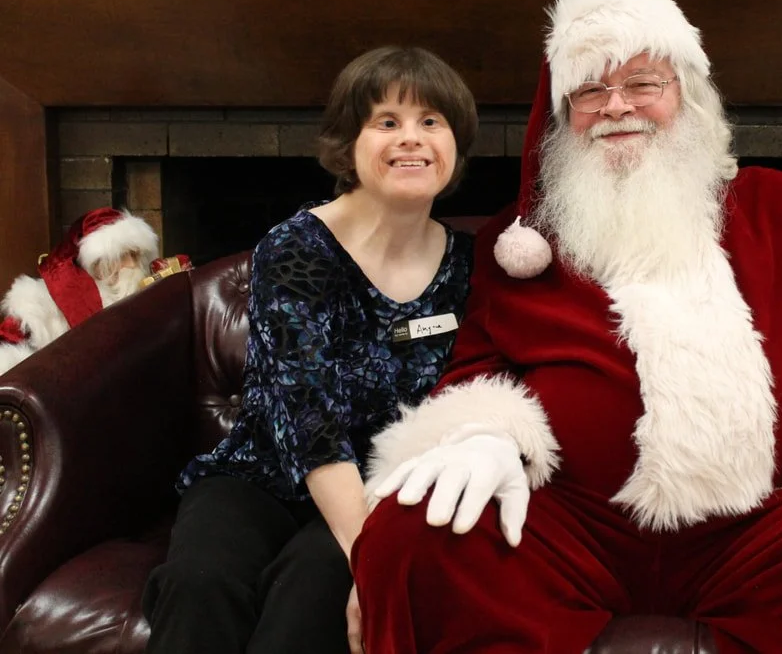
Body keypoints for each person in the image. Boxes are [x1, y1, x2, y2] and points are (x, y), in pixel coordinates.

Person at [351, 0, 782, 654]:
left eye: (642, 84)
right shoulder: (522, 243)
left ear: (685, 95)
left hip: (760, 530)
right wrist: (483, 434)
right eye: (590, 90)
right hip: (572, 533)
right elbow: (481, 361)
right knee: (410, 533)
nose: (617, 105)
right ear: (565, 116)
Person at [141, 46, 478, 654]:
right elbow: (310, 416)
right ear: (349, 143)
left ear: (455, 145)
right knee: (199, 583)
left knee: (315, 588)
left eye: (432, 121)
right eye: (387, 121)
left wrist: (367, 556)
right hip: (262, 476)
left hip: (385, 485)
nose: (412, 139)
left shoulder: (468, 268)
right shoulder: (296, 249)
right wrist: (370, 558)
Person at [0, 207, 158, 374]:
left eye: (136, 255)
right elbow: (8, 345)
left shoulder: (138, 290)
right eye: (123, 256)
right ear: (98, 263)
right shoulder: (38, 303)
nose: (133, 265)